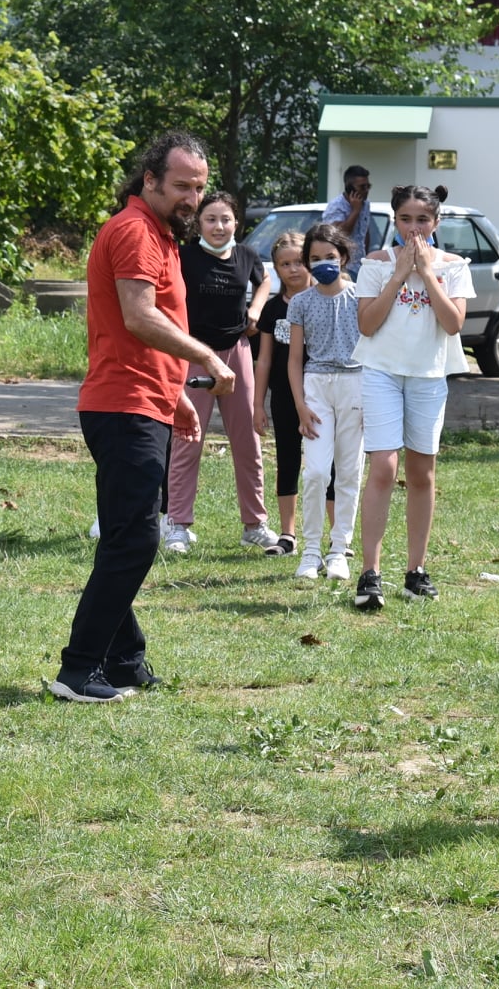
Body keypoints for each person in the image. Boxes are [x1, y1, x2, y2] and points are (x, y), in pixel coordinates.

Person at [51, 131, 236, 704]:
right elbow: (137, 316)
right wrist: (203, 355)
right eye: (181, 185)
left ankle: (124, 661)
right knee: (133, 541)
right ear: (149, 180)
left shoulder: (158, 234)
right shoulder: (135, 232)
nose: (191, 197)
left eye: (199, 187)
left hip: (140, 400)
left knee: (128, 537)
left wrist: (174, 391)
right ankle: (79, 670)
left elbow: (141, 332)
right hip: (122, 405)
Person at [351, 185, 472, 610]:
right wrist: (400, 274)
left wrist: (426, 273)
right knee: (383, 467)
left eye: (423, 219)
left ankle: (415, 571)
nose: (414, 228)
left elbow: (453, 323)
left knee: (422, 474)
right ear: (394, 221)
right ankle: (370, 574)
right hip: (382, 372)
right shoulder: (374, 264)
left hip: (428, 376)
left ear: (436, 223)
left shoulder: (455, 267)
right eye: (406, 219)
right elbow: (366, 324)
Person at [163, 191, 276, 553]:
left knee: (248, 442)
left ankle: (255, 525)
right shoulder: (184, 257)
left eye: (225, 219)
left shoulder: (246, 255)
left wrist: (255, 311)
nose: (218, 226)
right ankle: (177, 525)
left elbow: (266, 282)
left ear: (236, 223)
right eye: (210, 219)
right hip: (194, 353)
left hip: (236, 353)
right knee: (187, 440)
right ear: (199, 223)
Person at [288, 223, 364, 582]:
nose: (323, 264)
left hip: (355, 384)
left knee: (349, 471)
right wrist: (300, 405)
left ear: (344, 257)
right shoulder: (301, 303)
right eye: (315, 259)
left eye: (330, 257)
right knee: (317, 471)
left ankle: (339, 550)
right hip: (316, 386)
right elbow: (294, 359)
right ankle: (310, 551)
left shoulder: (361, 297)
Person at [253, 232, 311, 556]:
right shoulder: (273, 309)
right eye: (284, 264)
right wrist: (257, 404)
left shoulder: (324, 301)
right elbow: (264, 360)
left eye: (299, 262)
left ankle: (331, 537)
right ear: (275, 268)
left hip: (319, 395)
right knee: (288, 460)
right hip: (283, 398)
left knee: (324, 466)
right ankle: (287, 535)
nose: (293, 269)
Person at [321, 164, 374, 280]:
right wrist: (355, 211)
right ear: (350, 188)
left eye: (368, 186)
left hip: (359, 265)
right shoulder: (336, 206)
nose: (366, 190)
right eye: (362, 187)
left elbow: (365, 232)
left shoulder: (365, 204)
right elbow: (339, 235)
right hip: (343, 266)